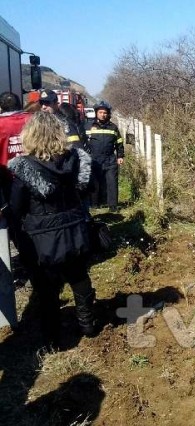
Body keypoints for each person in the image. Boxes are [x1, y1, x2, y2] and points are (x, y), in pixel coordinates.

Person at [8, 112, 96, 346]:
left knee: (47, 289)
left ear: (30, 135)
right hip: (76, 229)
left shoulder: (24, 167)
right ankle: (87, 324)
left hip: (41, 238)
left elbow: (16, 208)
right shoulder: (76, 159)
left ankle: (53, 338)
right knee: (79, 276)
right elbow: (88, 189)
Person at [85, 101, 124, 212]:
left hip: (110, 159)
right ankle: (94, 205)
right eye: (100, 112)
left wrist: (120, 155)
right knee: (94, 183)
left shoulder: (113, 127)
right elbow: (83, 143)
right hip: (94, 160)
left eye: (105, 112)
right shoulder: (88, 126)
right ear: (96, 113)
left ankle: (113, 206)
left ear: (108, 114)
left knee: (112, 182)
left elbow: (119, 142)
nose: (103, 114)